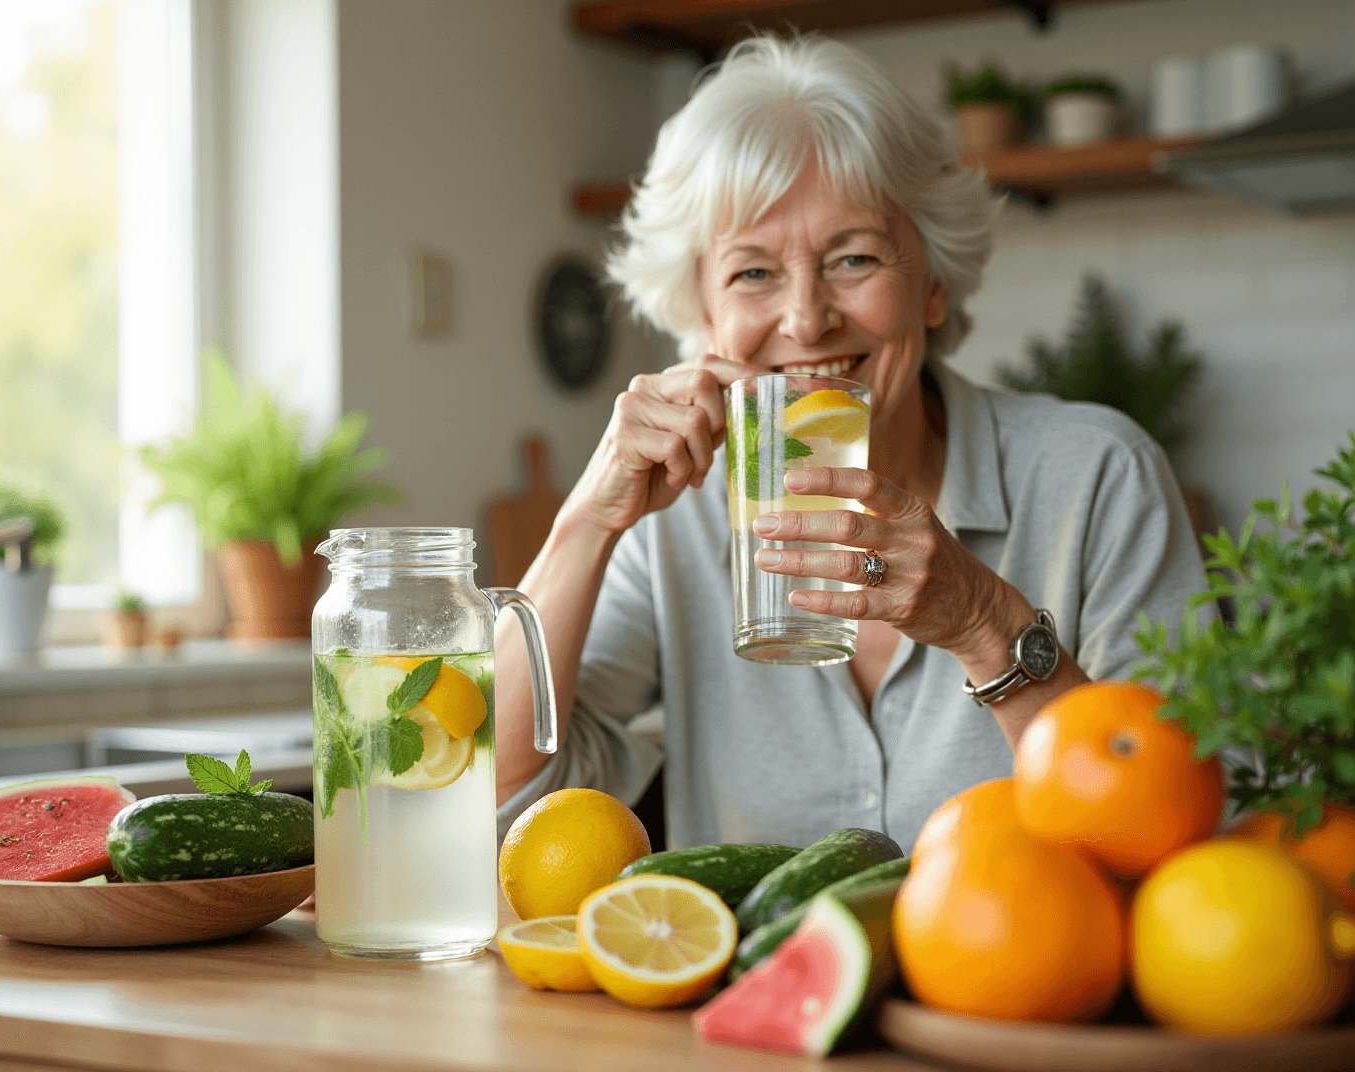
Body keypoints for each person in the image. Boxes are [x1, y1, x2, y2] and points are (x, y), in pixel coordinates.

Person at [494, 34, 1208, 852]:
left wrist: (984, 624)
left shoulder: (1099, 476)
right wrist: (587, 520)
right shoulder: (674, 514)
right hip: (764, 982)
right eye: (753, 273)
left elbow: (1179, 831)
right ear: (702, 310)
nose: (805, 319)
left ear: (933, 284)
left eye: (854, 258)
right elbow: (503, 802)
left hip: (1019, 970)